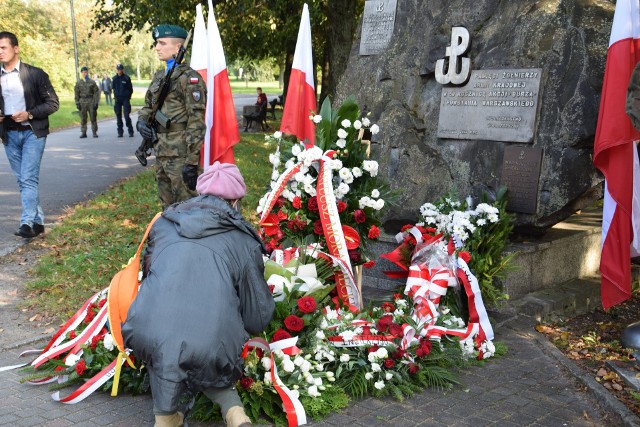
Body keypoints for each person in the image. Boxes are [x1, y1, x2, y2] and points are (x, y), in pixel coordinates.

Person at [122, 162, 275, 427]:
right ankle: (234, 413)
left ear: (200, 192)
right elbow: (257, 316)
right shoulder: (244, 240)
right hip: (209, 343)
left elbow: (151, 279)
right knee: (203, 344)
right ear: (236, 199)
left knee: (169, 341)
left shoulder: (163, 225)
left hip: (144, 329)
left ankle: (166, 416)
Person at [136, 25, 207, 208]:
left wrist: (191, 162)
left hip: (180, 154)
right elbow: (148, 106)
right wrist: (141, 121)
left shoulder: (189, 79)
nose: (157, 48)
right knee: (166, 206)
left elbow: (196, 122)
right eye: (157, 43)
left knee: (187, 206)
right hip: (161, 151)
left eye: (162, 43)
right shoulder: (160, 76)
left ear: (178, 48)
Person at [0, 31, 59, 238]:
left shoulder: (35, 74)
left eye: (3, 47)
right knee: (24, 180)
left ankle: (26, 223)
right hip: (9, 135)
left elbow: (53, 103)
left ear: (15, 48)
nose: (0, 52)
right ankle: (38, 221)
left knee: (27, 178)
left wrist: (30, 114)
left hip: (33, 133)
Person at [74, 66, 99, 138]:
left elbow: (96, 93)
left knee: (93, 117)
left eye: (85, 72)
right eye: (83, 72)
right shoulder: (79, 82)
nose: (84, 73)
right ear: (81, 73)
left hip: (90, 100)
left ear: (87, 72)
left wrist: (96, 102)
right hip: (82, 101)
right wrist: (77, 102)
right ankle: (83, 132)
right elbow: (76, 93)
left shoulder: (92, 82)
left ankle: (94, 132)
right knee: (83, 118)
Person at [112, 63, 134, 137]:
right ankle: (120, 132)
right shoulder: (114, 79)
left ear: (122, 70)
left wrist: (128, 96)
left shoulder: (126, 78)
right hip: (118, 99)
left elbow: (130, 89)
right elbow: (113, 89)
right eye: (118, 70)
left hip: (125, 99)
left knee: (126, 115)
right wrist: (115, 96)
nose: (119, 71)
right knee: (118, 116)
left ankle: (130, 130)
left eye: (120, 69)